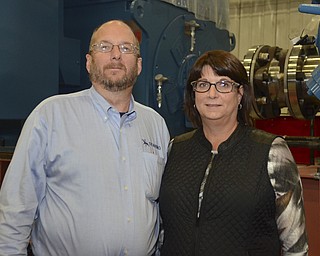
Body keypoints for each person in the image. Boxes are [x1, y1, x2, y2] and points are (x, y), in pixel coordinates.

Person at [0, 20, 170, 256]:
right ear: (89, 62)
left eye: (126, 48)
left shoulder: (155, 124)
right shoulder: (51, 116)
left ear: (139, 65)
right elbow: (15, 209)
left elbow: (160, 213)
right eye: (104, 47)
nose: (116, 55)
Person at [158, 50, 308, 256]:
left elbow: (296, 246)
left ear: (240, 94)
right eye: (202, 85)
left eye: (223, 84)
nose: (212, 94)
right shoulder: (175, 148)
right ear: (193, 95)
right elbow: (163, 232)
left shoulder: (271, 151)